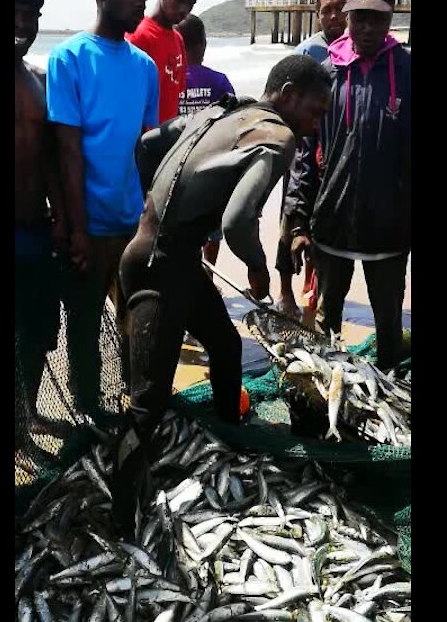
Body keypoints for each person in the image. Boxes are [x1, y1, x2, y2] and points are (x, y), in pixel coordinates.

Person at [110, 56, 333, 535]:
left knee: (227, 347)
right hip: (160, 270)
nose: (316, 124)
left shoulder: (221, 112)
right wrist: (257, 266)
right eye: (315, 111)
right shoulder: (278, 136)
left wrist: (163, 208)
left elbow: (147, 145)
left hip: (165, 256)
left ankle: (227, 444)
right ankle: (123, 526)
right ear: (289, 93)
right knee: (146, 404)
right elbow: (237, 222)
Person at [46, 0, 163, 413]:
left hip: (133, 226)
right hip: (88, 227)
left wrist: (151, 221)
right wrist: (77, 228)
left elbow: (145, 149)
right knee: (84, 327)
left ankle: (135, 406)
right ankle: (87, 413)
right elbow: (68, 151)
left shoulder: (144, 67)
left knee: (137, 322)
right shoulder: (68, 59)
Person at [284, 0, 412, 372]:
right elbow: (304, 152)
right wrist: (297, 222)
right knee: (326, 326)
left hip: (391, 230)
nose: (368, 27)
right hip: (331, 224)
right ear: (347, 15)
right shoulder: (327, 73)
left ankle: (390, 394)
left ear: (392, 16)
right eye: (360, 16)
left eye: (378, 17)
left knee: (389, 325)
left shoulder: (407, 72)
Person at [14, 0, 65, 431]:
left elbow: (53, 161)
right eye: (17, 14)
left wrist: (62, 222)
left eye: (33, 17)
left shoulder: (39, 80)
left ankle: (26, 416)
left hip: (35, 230)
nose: (25, 27)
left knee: (38, 330)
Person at [282, 0, 348, 323]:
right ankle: (285, 290)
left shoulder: (352, 57)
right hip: (300, 149)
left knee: (324, 237)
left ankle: (316, 293)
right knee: (292, 224)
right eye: (326, 10)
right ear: (317, 13)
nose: (333, 16)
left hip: (333, 160)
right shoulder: (306, 52)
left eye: (339, 9)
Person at [174, 14, 236, 271]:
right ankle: (208, 273)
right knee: (212, 227)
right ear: (203, 44)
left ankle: (183, 273)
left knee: (178, 227)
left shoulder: (168, 79)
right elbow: (235, 123)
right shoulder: (218, 81)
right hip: (212, 166)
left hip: (175, 167)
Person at [127, 0, 201, 124]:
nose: (184, 9)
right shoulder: (138, 36)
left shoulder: (178, 40)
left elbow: (174, 99)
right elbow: (128, 100)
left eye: (190, 4)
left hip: (166, 142)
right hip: (142, 142)